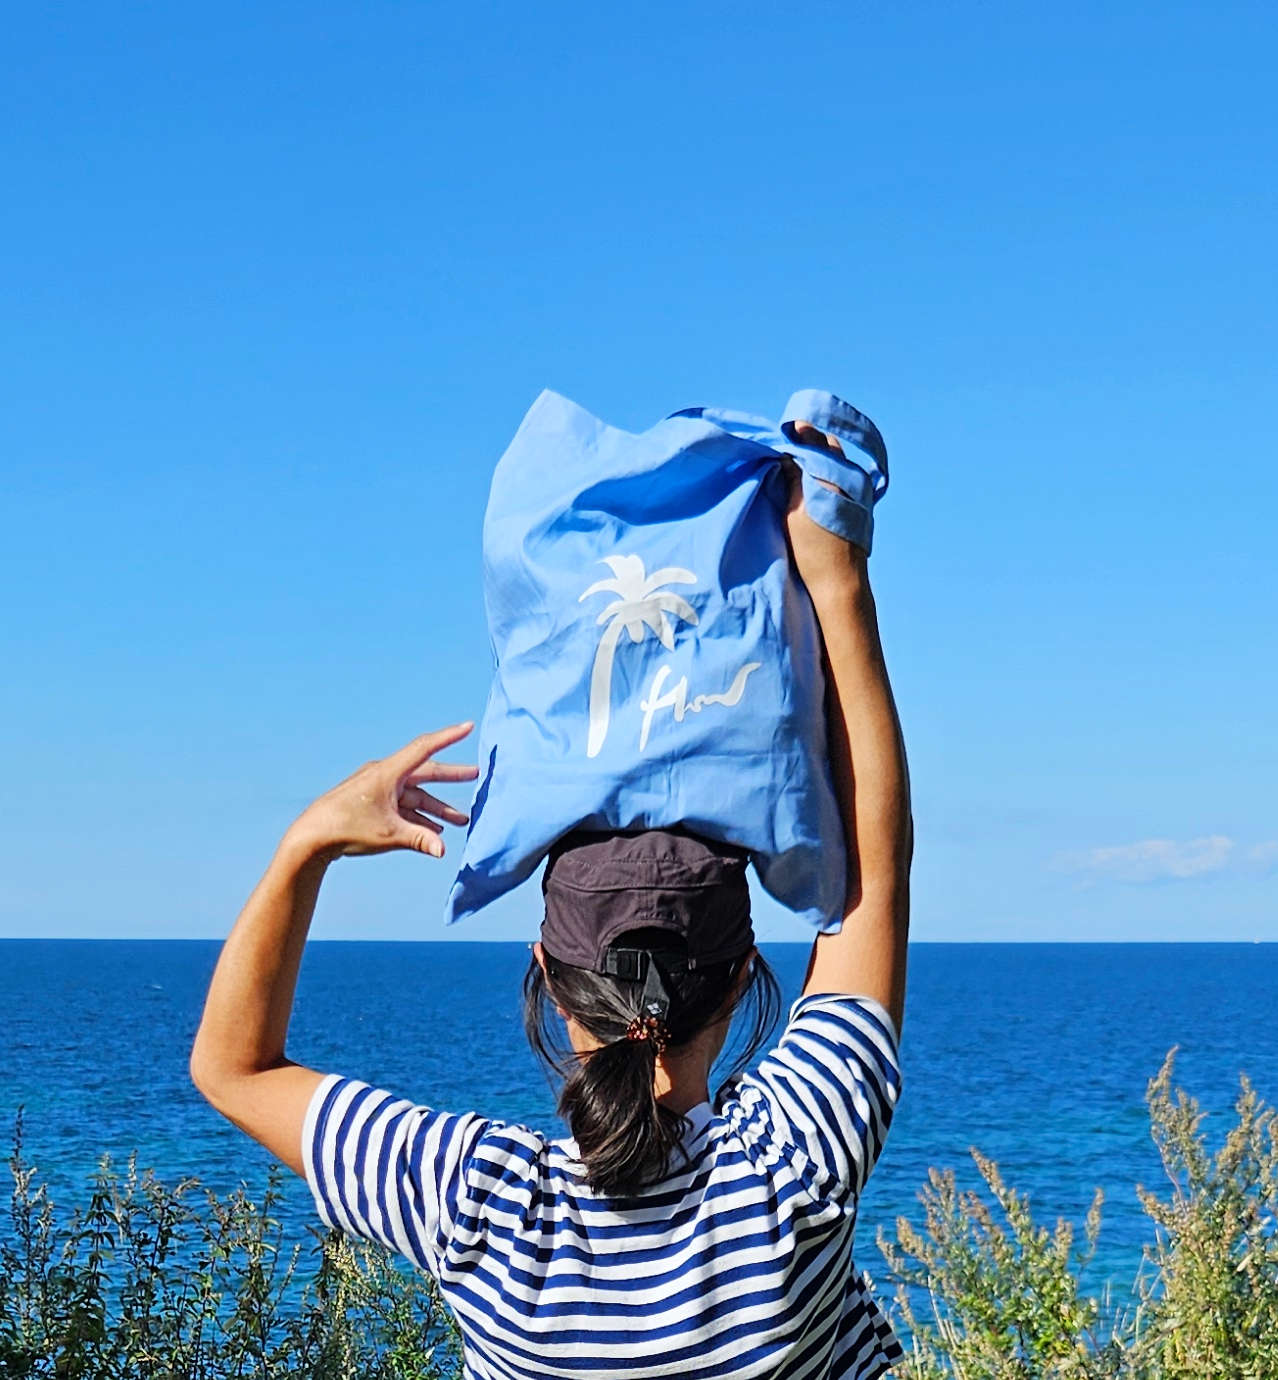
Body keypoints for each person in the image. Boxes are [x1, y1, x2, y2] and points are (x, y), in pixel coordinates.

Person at [190, 422, 914, 1379]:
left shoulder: (475, 1206)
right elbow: (875, 872)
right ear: (743, 976)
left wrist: (307, 846)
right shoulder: (795, 1169)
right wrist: (837, 582)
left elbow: (232, 1069)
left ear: (547, 979)